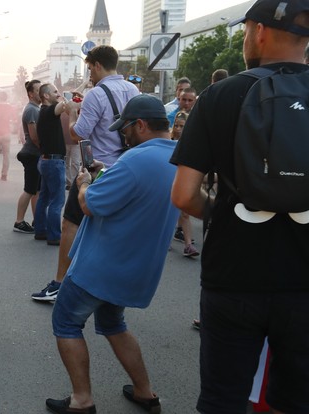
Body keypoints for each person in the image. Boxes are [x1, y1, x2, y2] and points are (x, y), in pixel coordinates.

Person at [170, 1, 309, 412]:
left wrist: (221, 212)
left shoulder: (220, 95)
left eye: (245, 29)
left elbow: (183, 194)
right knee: (296, 400)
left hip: (233, 276)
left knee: (222, 399)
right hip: (304, 282)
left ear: (260, 31)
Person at [46, 94, 179, 414]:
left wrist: (83, 183)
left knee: (65, 322)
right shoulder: (178, 160)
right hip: (136, 268)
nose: (123, 134)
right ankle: (146, 392)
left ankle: (82, 400)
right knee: (113, 323)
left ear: (141, 125)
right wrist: (105, 174)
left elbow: (90, 203)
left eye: (126, 128)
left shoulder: (136, 160)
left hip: (101, 265)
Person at [32, 45, 139, 301]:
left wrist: (72, 115)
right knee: (111, 228)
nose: (89, 75)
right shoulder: (133, 90)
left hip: (97, 170)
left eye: (90, 68)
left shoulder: (97, 94)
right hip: (126, 168)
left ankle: (59, 283)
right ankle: (107, 284)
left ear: (98, 65)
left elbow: (78, 133)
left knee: (70, 223)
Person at [34, 83, 67, 245]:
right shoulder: (48, 111)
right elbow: (65, 104)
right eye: (55, 92)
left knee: (45, 198)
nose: (58, 94)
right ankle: (54, 235)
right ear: (46, 96)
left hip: (46, 160)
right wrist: (72, 94)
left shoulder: (43, 112)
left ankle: (40, 231)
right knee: (57, 200)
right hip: (54, 162)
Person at [13, 80, 42, 234]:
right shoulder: (31, 110)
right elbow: (34, 137)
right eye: (38, 91)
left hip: (34, 153)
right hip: (32, 154)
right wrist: (44, 150)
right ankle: (19, 221)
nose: (41, 93)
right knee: (30, 189)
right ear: (31, 93)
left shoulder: (35, 108)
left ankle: (37, 220)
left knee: (36, 190)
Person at [170, 111, 199, 257]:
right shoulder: (168, 139)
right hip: (168, 180)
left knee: (184, 214)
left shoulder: (191, 143)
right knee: (170, 213)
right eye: (176, 125)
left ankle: (188, 245)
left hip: (181, 181)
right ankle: (166, 240)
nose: (178, 129)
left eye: (182, 126)